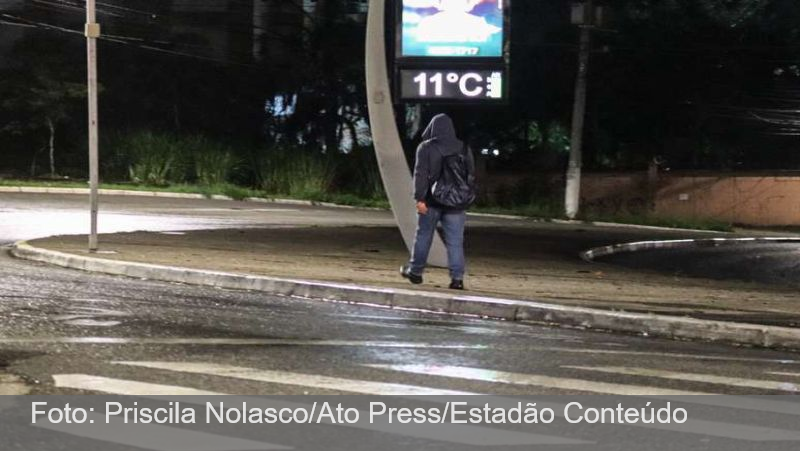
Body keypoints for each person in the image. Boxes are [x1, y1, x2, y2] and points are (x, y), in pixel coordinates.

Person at [401, 114, 475, 290]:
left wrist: (419, 198)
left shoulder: (426, 147)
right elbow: (470, 175)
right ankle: (457, 279)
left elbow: (420, 174)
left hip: (431, 201)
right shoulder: (464, 148)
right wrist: (465, 196)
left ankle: (416, 272)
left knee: (423, 236)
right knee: (455, 241)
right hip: (456, 203)